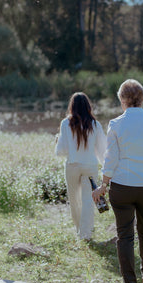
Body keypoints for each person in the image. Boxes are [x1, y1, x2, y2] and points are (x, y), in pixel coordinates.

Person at [92, 79, 143, 283]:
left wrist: (104, 184)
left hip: (122, 187)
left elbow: (111, 159)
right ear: (142, 98)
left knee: (124, 236)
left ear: (122, 100)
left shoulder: (116, 124)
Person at [55, 92, 107, 241]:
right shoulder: (95, 124)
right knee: (88, 200)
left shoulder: (66, 123)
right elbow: (102, 150)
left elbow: (61, 151)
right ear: (88, 106)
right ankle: (86, 234)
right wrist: (107, 170)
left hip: (72, 165)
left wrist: (58, 139)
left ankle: (79, 230)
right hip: (90, 166)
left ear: (72, 106)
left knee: (75, 200)